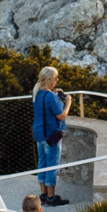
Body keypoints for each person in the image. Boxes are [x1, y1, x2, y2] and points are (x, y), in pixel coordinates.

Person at [31, 63, 69, 204]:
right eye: (55, 78)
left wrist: (54, 93)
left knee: (42, 164)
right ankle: (52, 198)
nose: (57, 80)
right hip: (51, 135)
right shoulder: (50, 97)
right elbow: (61, 115)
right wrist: (68, 102)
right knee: (52, 166)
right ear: (48, 80)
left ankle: (43, 194)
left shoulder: (36, 92)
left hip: (39, 134)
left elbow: (45, 107)